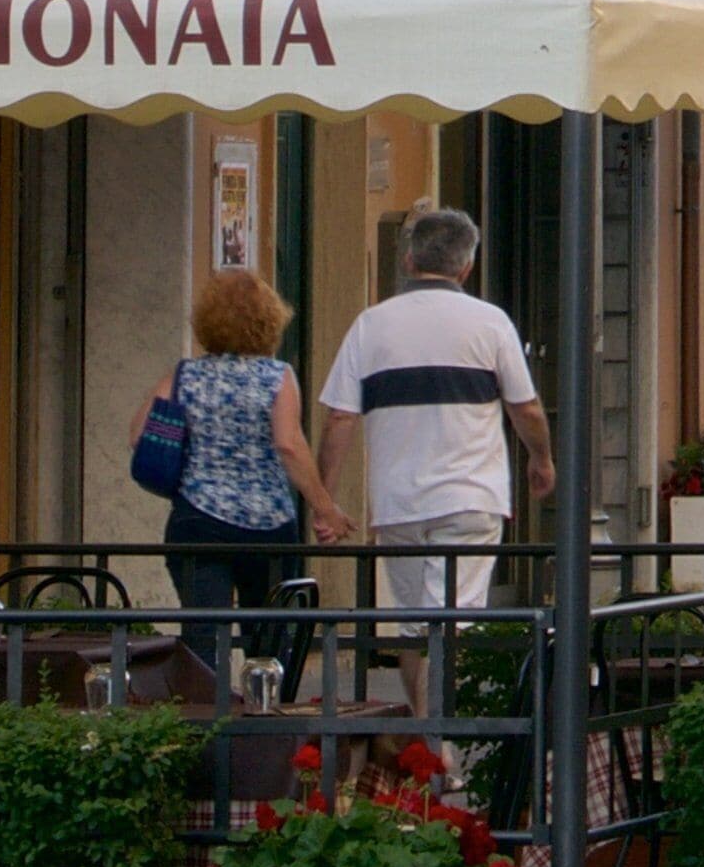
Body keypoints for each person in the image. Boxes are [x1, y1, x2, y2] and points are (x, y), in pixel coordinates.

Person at [318, 207, 553, 620]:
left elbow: (340, 418)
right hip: (470, 496)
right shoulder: (491, 323)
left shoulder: (370, 325)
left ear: (410, 260)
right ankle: (442, 687)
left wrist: (325, 503)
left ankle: (425, 687)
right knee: (454, 621)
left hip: (398, 502)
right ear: (466, 267)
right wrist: (541, 459)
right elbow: (526, 409)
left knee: (412, 625)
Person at [135, 271, 350, 673]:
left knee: (202, 637)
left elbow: (138, 434)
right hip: (267, 526)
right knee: (267, 640)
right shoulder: (277, 377)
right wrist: (325, 508)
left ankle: (206, 722)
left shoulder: (184, 375)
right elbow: (288, 443)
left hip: (197, 521)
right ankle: (264, 722)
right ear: (269, 320)